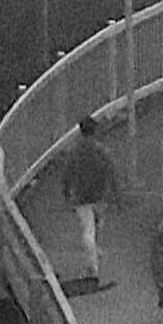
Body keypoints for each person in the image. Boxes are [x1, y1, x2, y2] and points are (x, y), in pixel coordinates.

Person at [60, 113, 120, 292]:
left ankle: (92, 268)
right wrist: (117, 196)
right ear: (95, 132)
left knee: (87, 230)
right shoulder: (102, 151)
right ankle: (92, 262)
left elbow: (67, 175)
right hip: (100, 196)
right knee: (95, 227)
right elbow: (112, 172)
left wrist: (66, 194)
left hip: (81, 196)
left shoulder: (74, 151)